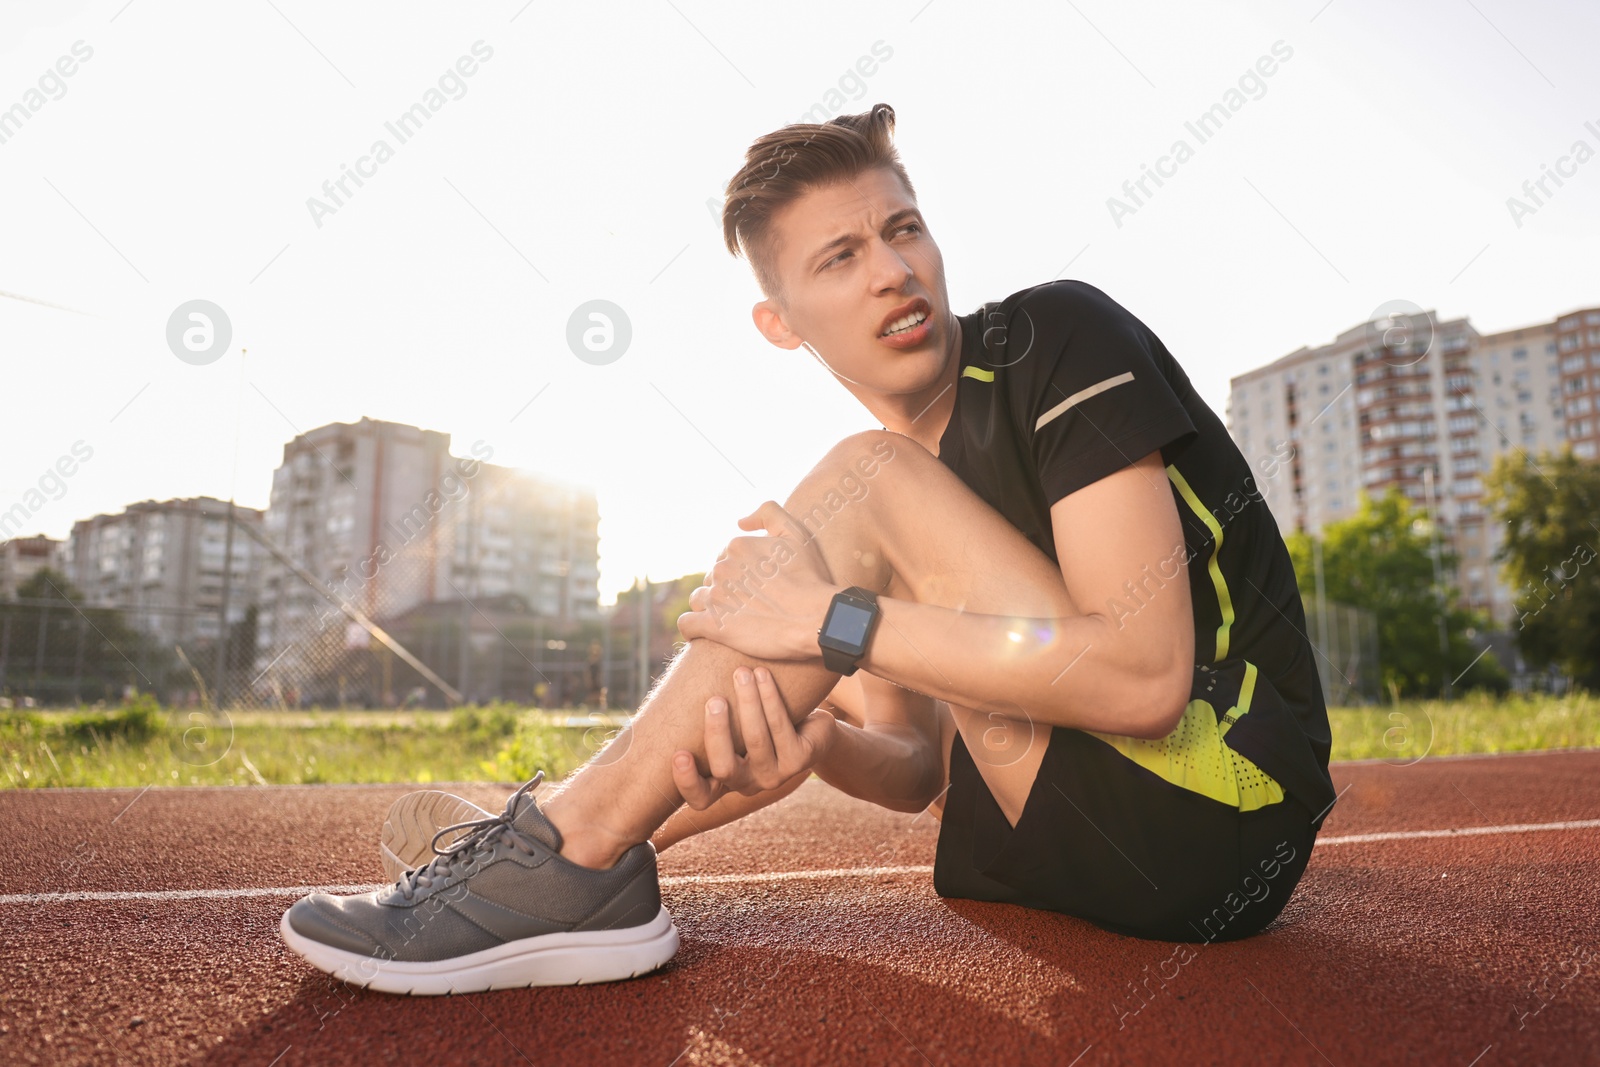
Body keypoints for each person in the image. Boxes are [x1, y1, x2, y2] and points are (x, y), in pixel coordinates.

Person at [279, 104, 1337, 995]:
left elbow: (1146, 677)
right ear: (780, 323)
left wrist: (833, 621)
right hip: (1081, 844)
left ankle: (557, 852)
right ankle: (564, 858)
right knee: (835, 521)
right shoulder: (890, 493)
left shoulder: (1057, 339)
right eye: (841, 255)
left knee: (846, 501)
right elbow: (918, 764)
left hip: (1218, 810)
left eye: (903, 229)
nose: (892, 270)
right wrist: (813, 739)